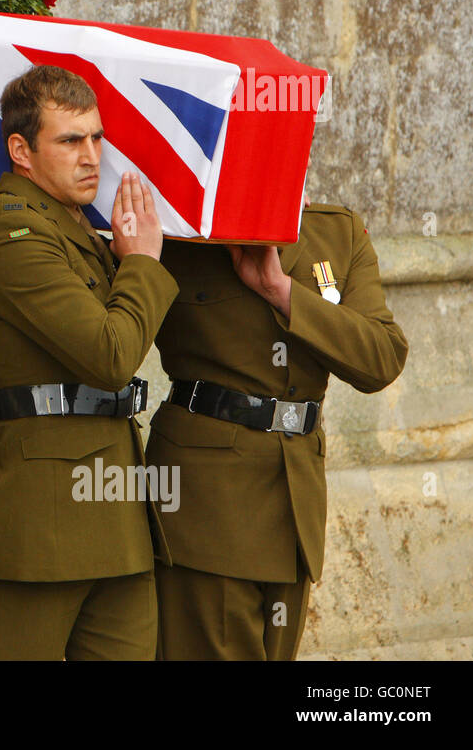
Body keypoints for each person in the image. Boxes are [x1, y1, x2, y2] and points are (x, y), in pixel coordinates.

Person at [0, 64, 177, 660]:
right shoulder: (14, 234)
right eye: (70, 140)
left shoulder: (73, 227)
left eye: (97, 138)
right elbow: (109, 355)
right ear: (21, 151)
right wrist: (141, 264)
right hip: (41, 521)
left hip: (114, 510)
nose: (92, 157)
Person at [149, 196, 408, 660]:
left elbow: (381, 358)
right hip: (209, 506)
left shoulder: (337, 231)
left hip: (295, 504)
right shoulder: (180, 224)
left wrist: (281, 291)